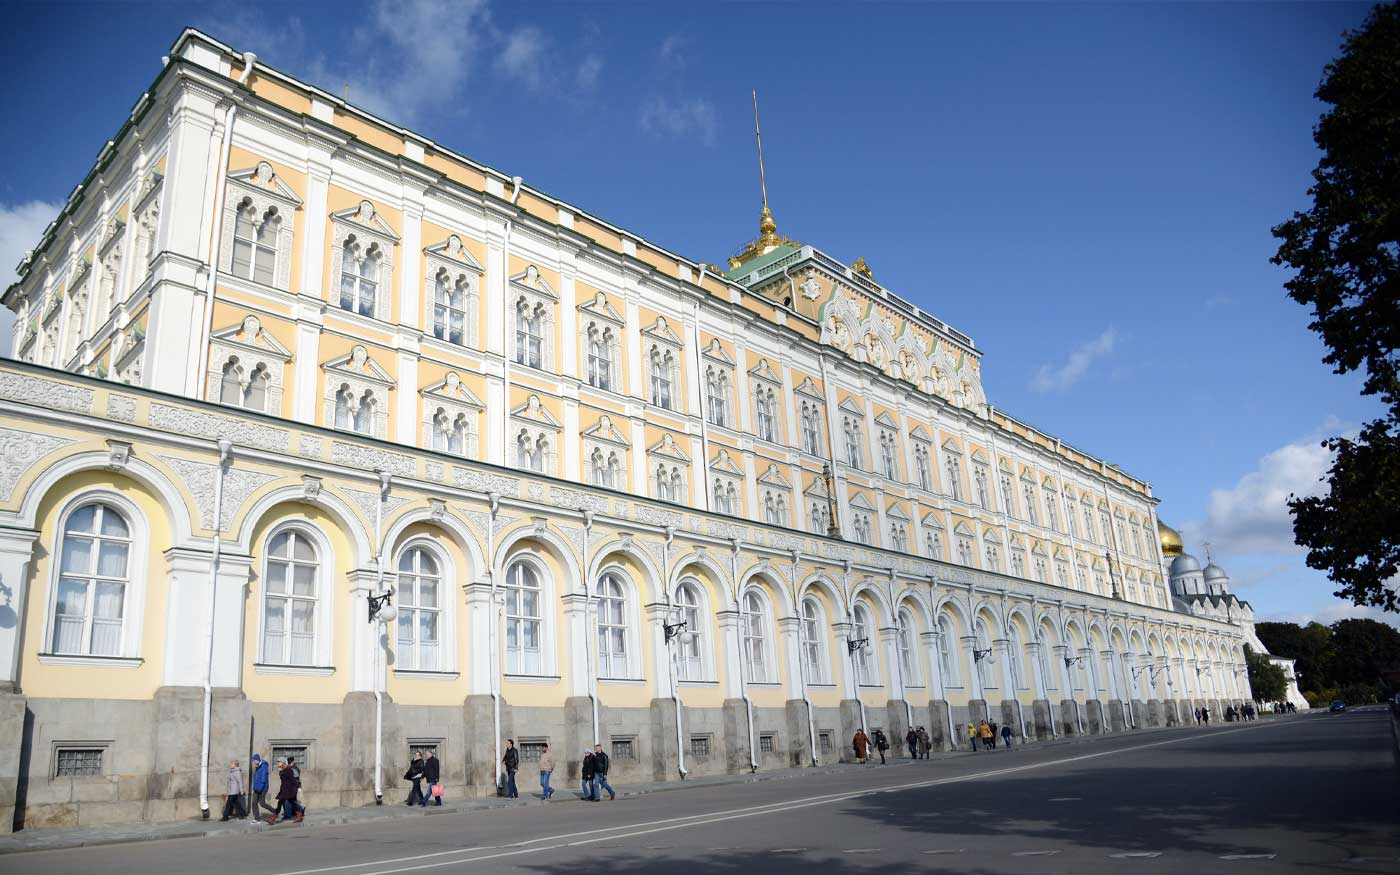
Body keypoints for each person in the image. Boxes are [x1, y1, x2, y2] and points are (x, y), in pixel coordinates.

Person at [266, 758, 303, 824]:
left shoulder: (288, 770)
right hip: (284, 790)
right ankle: (299, 814)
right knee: (289, 803)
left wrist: (298, 787)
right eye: (278, 762)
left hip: (290, 790)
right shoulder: (282, 770)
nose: (278, 764)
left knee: (284, 803)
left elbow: (293, 779)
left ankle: (273, 819)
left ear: (283, 763)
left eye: (279, 762)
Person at [249, 754, 278, 822]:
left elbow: (263, 779)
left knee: (262, 803)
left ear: (257, 760)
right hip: (257, 788)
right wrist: (255, 787)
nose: (253, 762)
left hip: (262, 788)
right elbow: (256, 778)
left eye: (254, 760)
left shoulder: (263, 766)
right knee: (254, 803)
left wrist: (260, 788)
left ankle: (275, 811)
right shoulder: (258, 767)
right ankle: (257, 818)